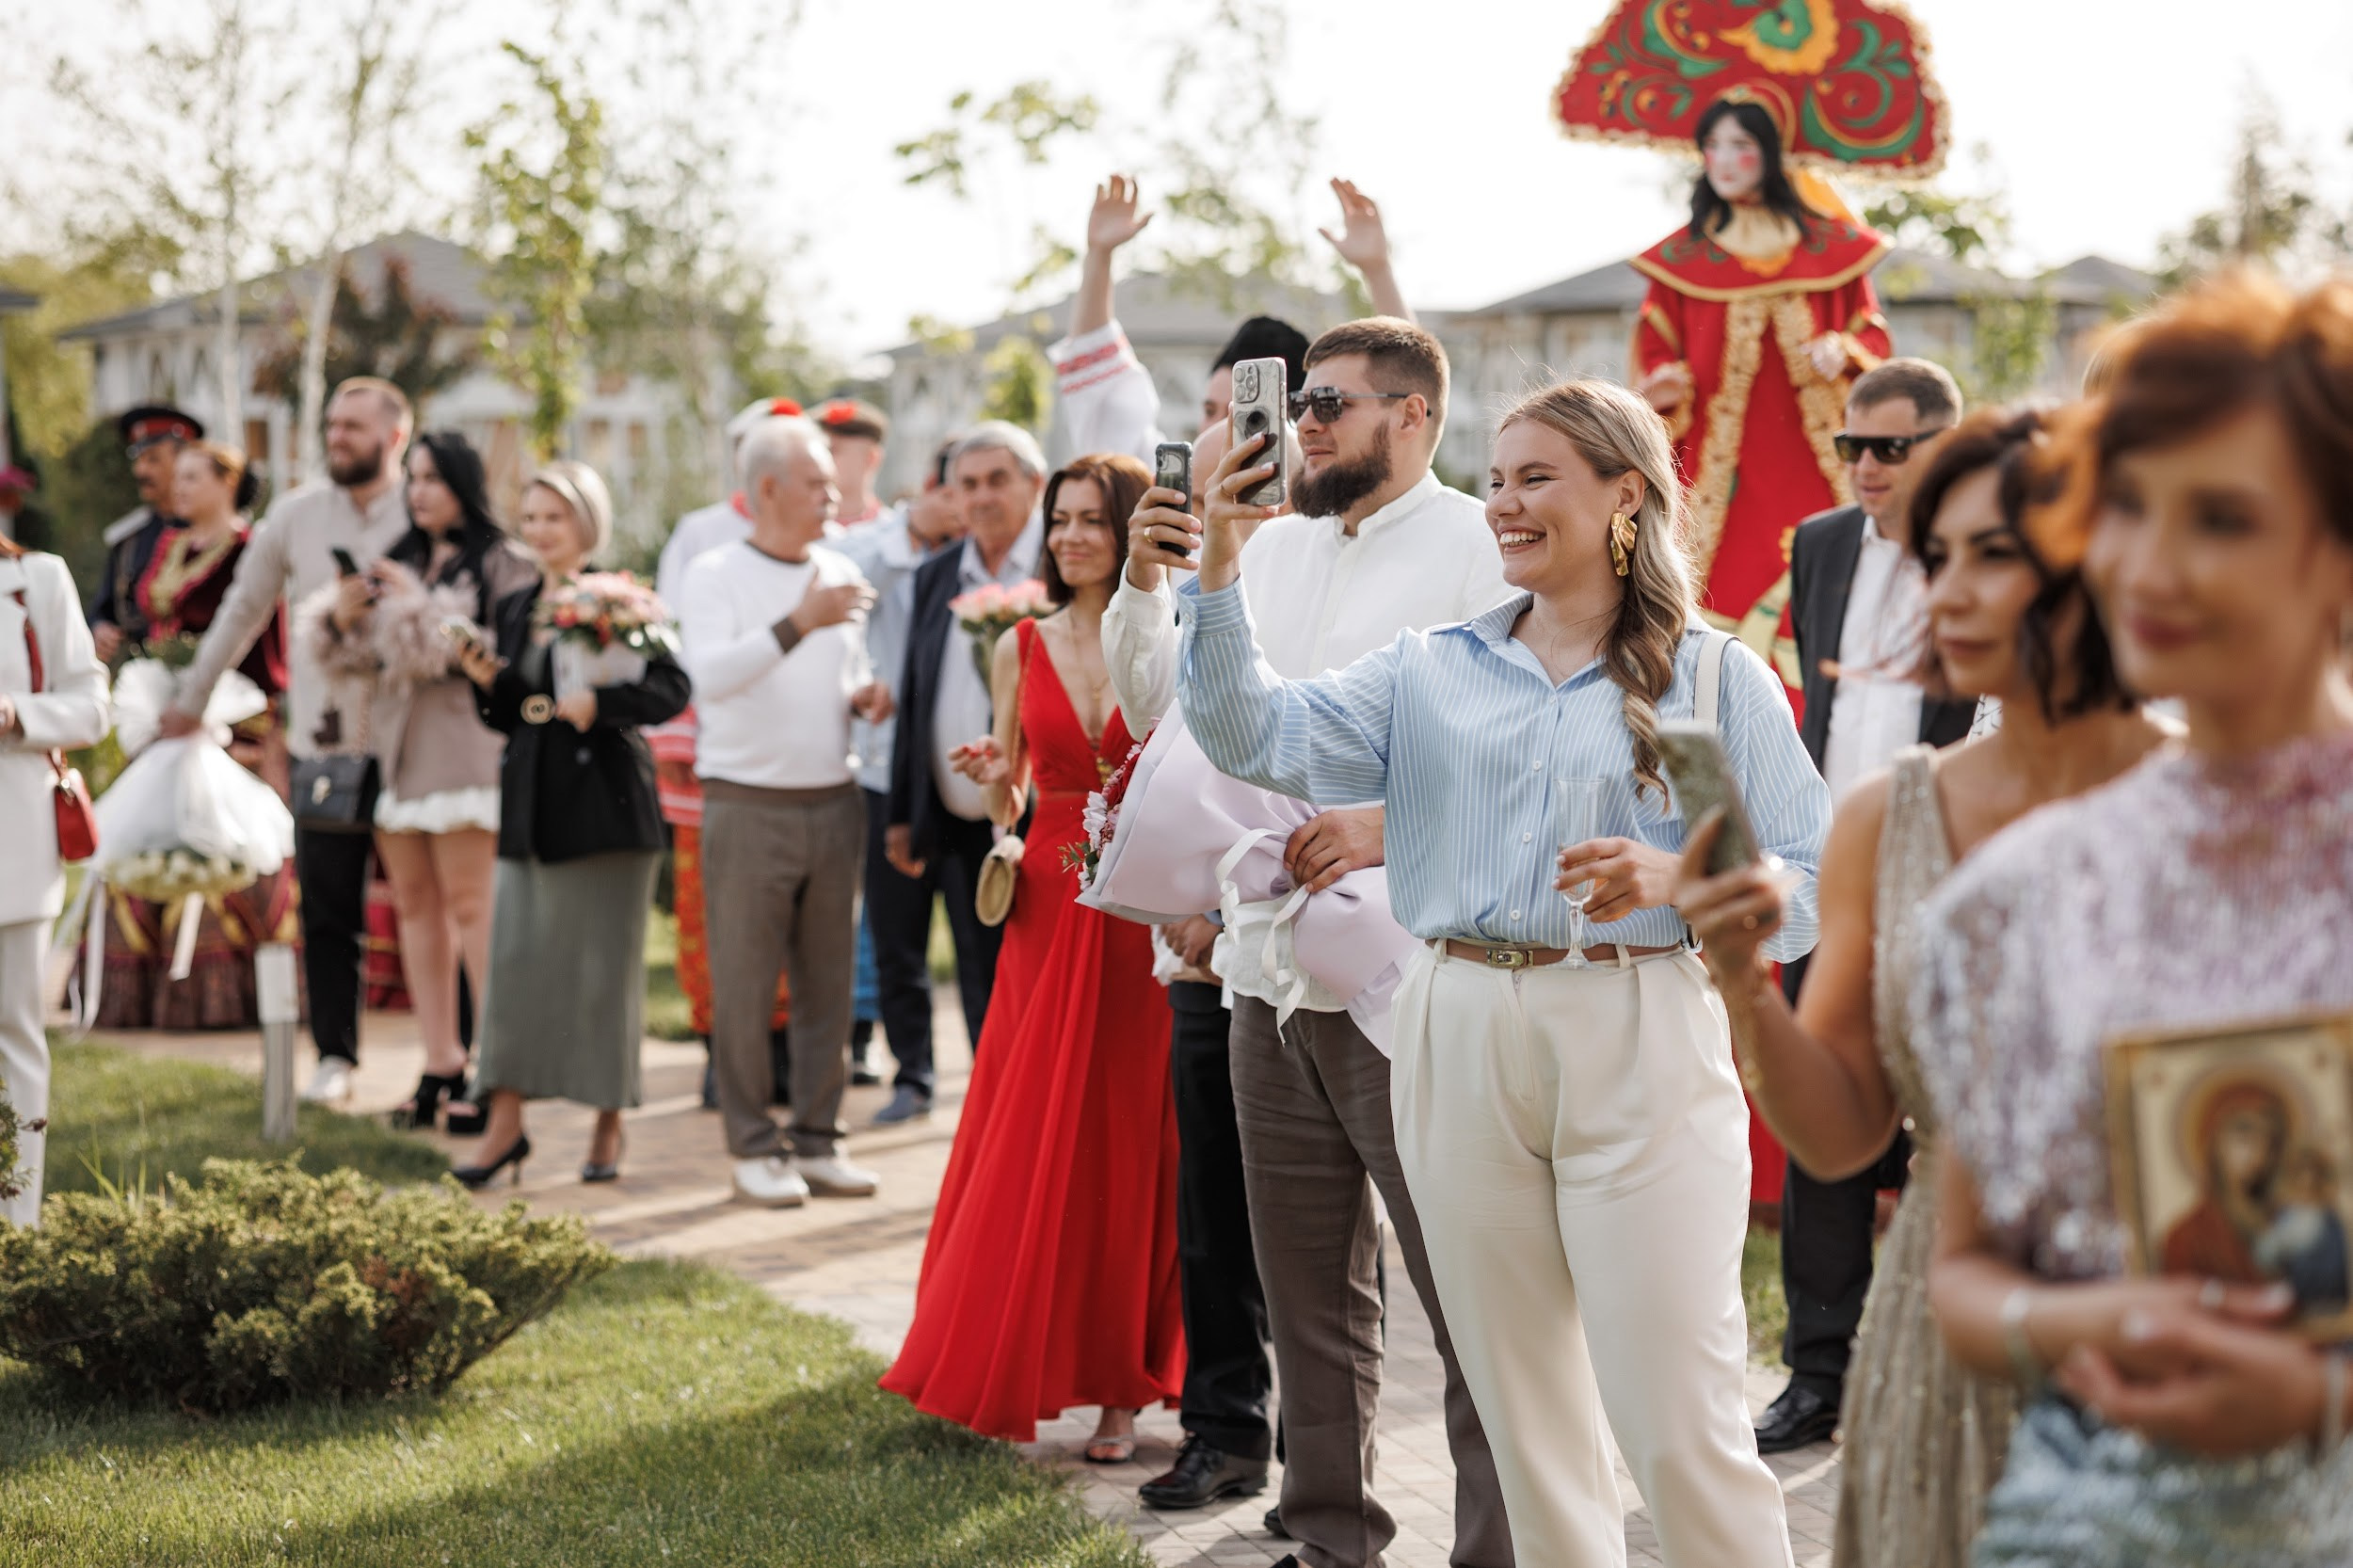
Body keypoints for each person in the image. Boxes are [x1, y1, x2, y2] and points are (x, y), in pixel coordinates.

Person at [1181, 376, 1829, 1567]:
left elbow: (1810, 882)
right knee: (1525, 1416)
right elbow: (1251, 734)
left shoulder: (1705, 677)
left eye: (1536, 478)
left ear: (1624, 495)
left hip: (1636, 1029)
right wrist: (1216, 562)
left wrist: (1681, 876)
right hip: (1456, 1024)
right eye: (1494, 480)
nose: (1503, 505)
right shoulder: (1428, 668)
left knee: (1676, 1412)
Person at [1676, 405, 2173, 1568]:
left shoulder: (2223, 805)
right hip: (1943, 1338)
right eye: (1934, 557)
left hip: (2178, 1324)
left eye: (1992, 554)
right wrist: (1744, 980)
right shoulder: (1886, 817)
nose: (1944, 592)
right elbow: (1842, 1133)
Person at [1913, 271, 2353, 1564]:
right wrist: (2085, 1324)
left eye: (2220, 517)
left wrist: (2323, 1395)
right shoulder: (2018, 895)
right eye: (2125, 506)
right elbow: (1962, 1274)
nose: (2146, 567)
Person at [1111, 317, 1518, 1565]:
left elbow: (1530, 744)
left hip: (1419, 978)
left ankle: (1498, 1545)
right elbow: (1166, 714)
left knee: (1466, 1287)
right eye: (1300, 405)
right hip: (1266, 972)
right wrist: (1160, 575)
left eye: (1332, 403)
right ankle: (1332, 1534)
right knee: (1304, 1286)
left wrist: (1391, 825)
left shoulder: (1481, 547)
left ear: (1415, 414)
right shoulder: (1265, 545)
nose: (1305, 426)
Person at [880, 452, 1184, 1461]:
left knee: (1132, 1134)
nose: (1071, 537)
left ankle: (1122, 1389)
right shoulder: (1016, 642)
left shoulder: (1173, 632)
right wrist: (990, 782)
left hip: (1143, 898)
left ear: (1131, 528)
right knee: (1031, 1123)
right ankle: (1011, 1354)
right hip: (1048, 908)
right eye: (1061, 520)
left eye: (1093, 519)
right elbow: (1009, 796)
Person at [1751, 357, 1977, 1455]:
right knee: (1822, 1143)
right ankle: (1817, 1372)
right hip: (1826, 882)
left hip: (1949, 883)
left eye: (1890, 447)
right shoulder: (1821, 544)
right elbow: (1826, 714)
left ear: (1946, 446)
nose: (1866, 467)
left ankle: (1935, 1370)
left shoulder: (1989, 553)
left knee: (1948, 1131)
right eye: (1852, 446)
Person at [160, 377, 414, 1101]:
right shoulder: (297, 515)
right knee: (329, 902)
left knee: (430, 907)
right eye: (332, 423)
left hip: (414, 741)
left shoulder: (424, 509)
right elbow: (242, 609)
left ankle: (450, 1063)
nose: (337, 437)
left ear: (394, 436)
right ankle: (335, 1057)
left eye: (353, 426)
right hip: (326, 743)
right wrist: (190, 701)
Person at [451, 461, 687, 1188]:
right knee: (514, 969)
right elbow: (521, 711)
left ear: (587, 523)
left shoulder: (622, 599)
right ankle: (505, 1125)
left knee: (603, 975)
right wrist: (487, 680)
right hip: (532, 807)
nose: (540, 530)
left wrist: (603, 706)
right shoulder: (518, 604)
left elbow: (672, 688)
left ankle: (608, 1120)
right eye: (530, 517)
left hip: (607, 809)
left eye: (554, 516)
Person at [678, 414, 891, 1208]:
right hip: (747, 803)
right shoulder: (715, 572)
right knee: (743, 983)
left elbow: (845, 669)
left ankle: (818, 1138)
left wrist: (863, 695)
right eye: (817, 483)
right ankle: (751, 1145)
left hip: (832, 799)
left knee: (828, 983)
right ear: (767, 488)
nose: (835, 494)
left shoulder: (836, 569)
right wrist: (801, 620)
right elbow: (710, 677)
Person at [301, 431, 535, 1129]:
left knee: (472, 909)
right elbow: (359, 662)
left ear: (463, 483)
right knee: (415, 909)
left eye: (434, 478)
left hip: (465, 752)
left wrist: (415, 607)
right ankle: (441, 1060)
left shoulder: (503, 562)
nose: (420, 491)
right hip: (397, 755)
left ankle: (495, 1066)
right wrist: (341, 621)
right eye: (415, 478)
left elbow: (495, 660)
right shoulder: (400, 559)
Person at [1633, 97, 1894, 689]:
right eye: (1713, 146)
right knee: (1714, 594)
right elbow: (1655, 350)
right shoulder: (1682, 262)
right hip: (1716, 475)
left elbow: (1873, 339)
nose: (1724, 161)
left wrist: (1844, 351)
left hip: (1814, 463)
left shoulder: (1831, 253)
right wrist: (1662, 384)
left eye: (1741, 146)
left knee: (1828, 586)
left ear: (1772, 155)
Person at [93, 440, 294, 1030]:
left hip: (233, 718)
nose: (177, 488)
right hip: (168, 716)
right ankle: (139, 991)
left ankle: (222, 992)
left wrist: (242, 717)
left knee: (224, 838)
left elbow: (265, 641)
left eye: (191, 477)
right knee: (148, 832)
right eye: (175, 477)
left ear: (227, 481)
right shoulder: (169, 545)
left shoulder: (251, 548)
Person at [651, 397, 804, 1108]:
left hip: (795, 759)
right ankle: (721, 1048)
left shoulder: (822, 540)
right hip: (711, 754)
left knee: (792, 904)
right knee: (708, 903)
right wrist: (677, 737)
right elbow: (672, 641)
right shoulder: (701, 535)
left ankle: (785, 1048)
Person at [883, 422, 1048, 1053]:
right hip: (959, 816)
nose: (981, 497)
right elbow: (915, 692)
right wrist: (904, 812)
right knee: (981, 982)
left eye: (997, 480)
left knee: (1042, 981)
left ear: (1034, 484)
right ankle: (994, 1101)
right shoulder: (939, 572)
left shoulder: (1063, 560)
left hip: (1047, 814)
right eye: (968, 484)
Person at [1049, 174, 1407, 464]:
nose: (1218, 430)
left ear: (1298, 420)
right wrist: (1099, 256)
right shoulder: (1172, 501)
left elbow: (1409, 390)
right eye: (1210, 411)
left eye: (1242, 414)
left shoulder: (1327, 508)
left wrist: (1378, 271)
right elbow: (1104, 403)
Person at [833, 439, 968, 1125]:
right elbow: (843, 584)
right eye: (961, 486)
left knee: (977, 933)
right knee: (896, 933)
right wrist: (914, 530)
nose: (970, 502)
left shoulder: (993, 561)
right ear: (933, 489)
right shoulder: (878, 543)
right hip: (889, 769)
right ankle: (912, 1072)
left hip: (966, 773)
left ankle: (989, 1073)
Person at [0, 536, 110, 1225]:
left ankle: (18, 1226)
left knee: (14, 1033)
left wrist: (18, 713)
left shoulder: (34, 579)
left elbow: (92, 706)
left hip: (13, 838)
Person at [88, 404, 202, 663]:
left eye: (153, 459)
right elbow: (103, 611)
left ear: (185, 460)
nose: (140, 471)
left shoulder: (213, 532)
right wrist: (100, 629)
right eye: (138, 460)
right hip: (141, 675)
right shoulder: (129, 539)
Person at [814, 398, 890, 529]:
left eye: (832, 451)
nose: (822, 461)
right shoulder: (800, 529)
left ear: (871, 458)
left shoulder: (893, 530)